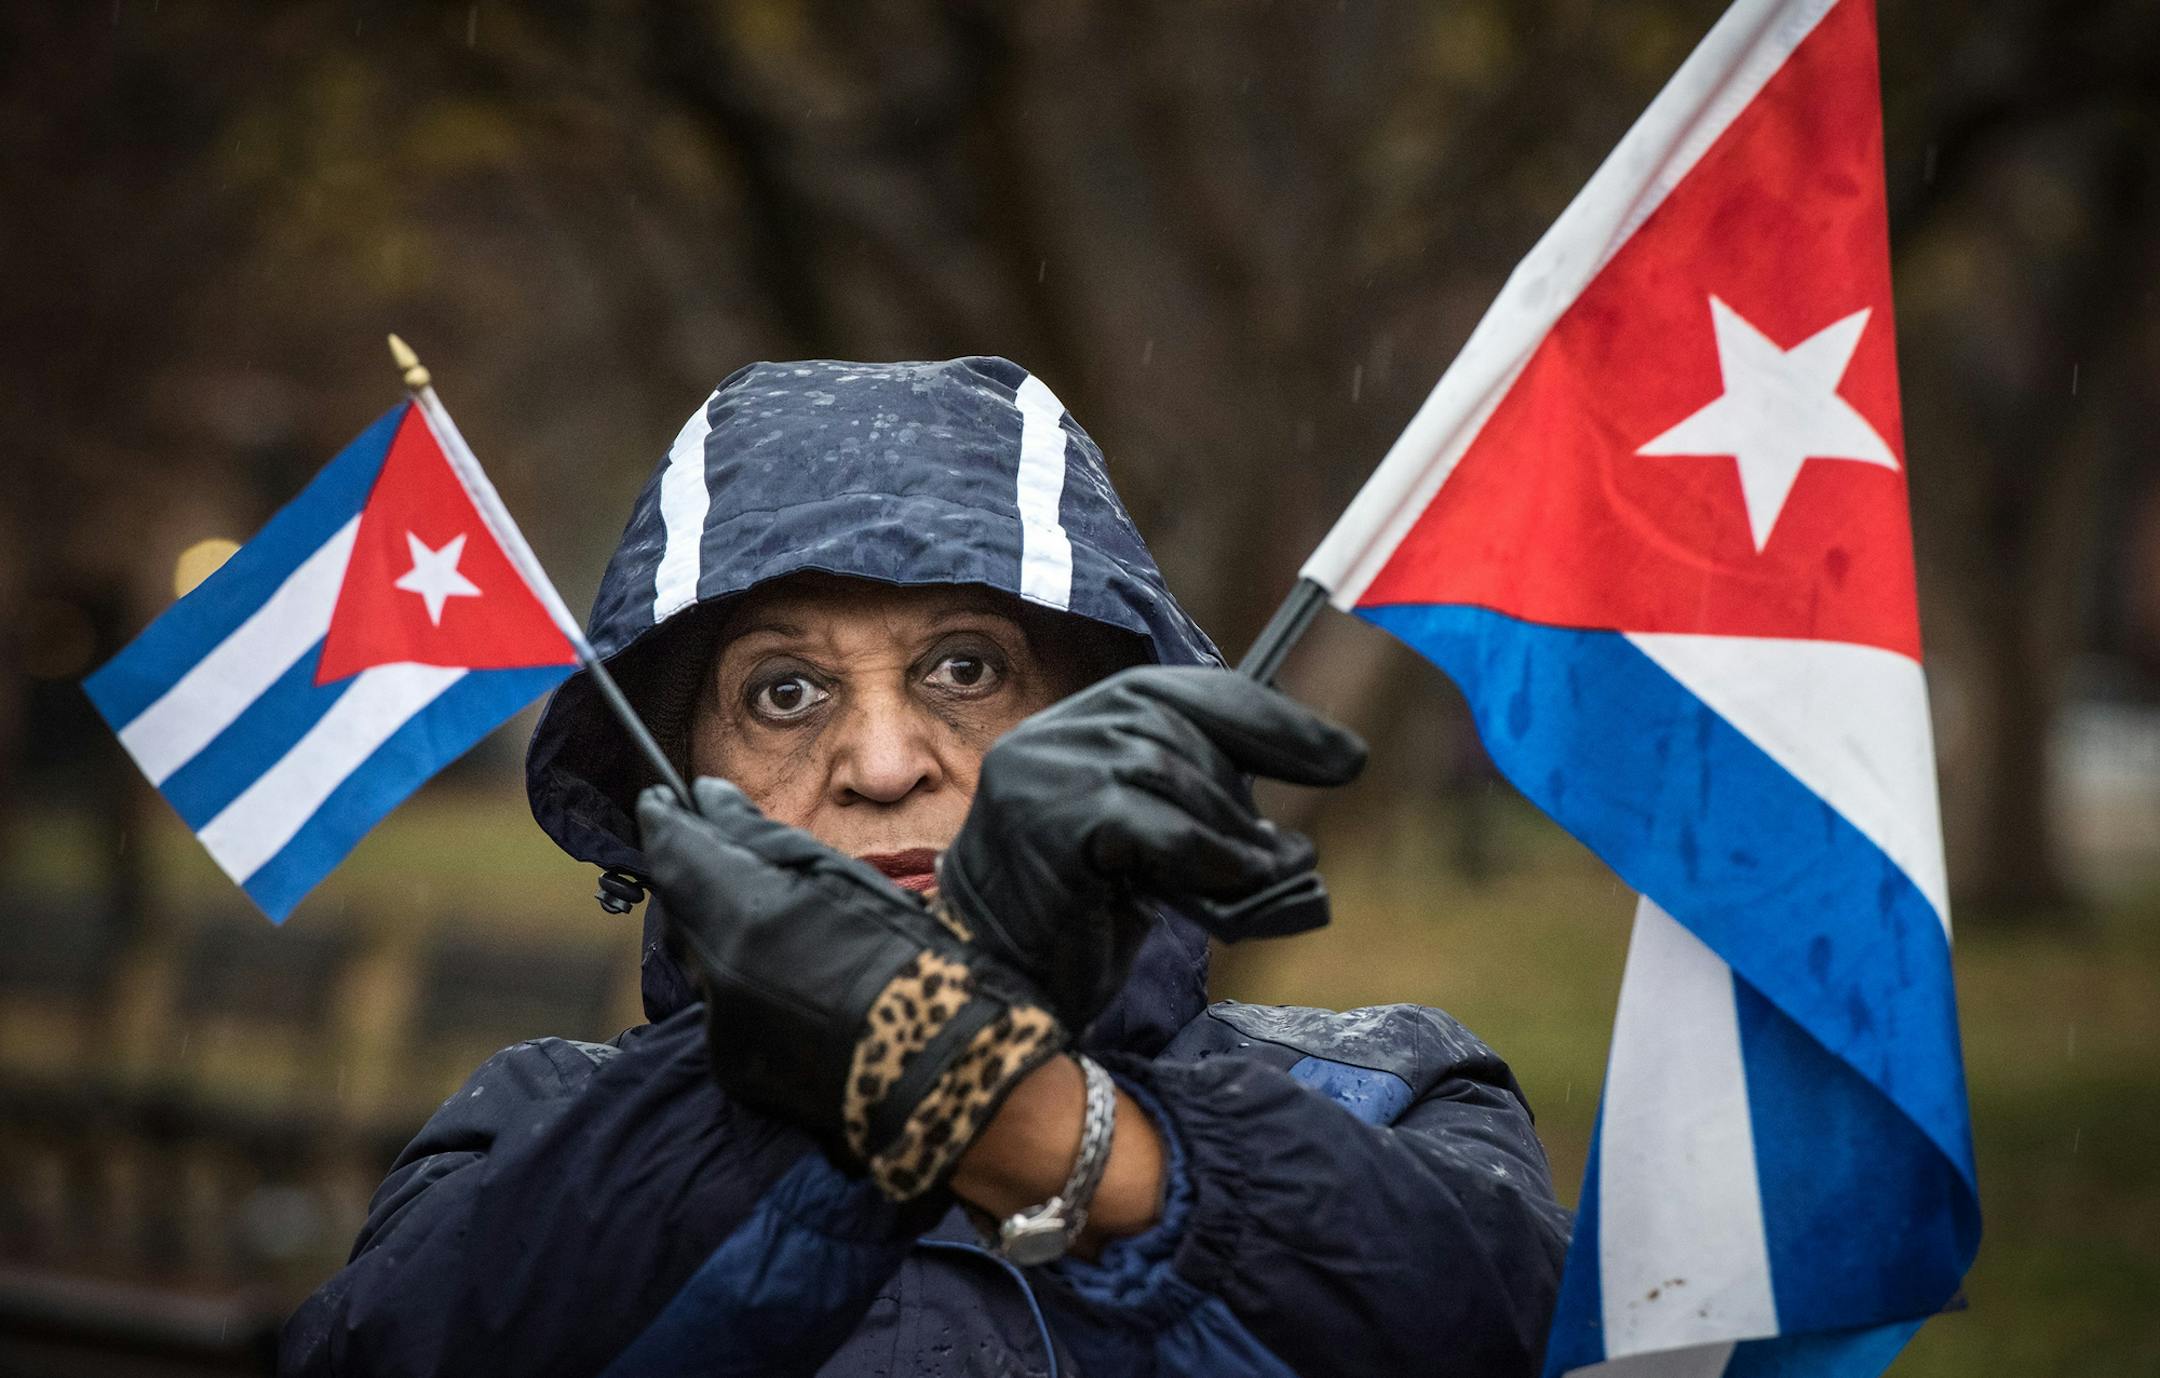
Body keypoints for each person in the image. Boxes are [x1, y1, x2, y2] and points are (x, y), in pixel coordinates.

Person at [281, 357, 1571, 1377]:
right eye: (784, 692)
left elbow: (1499, 1328)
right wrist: (847, 1062)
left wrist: (1036, 1109)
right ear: (673, 783)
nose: (886, 762)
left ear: (1109, 706)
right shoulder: (533, 1127)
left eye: (965, 668)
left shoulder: (1391, 1095)